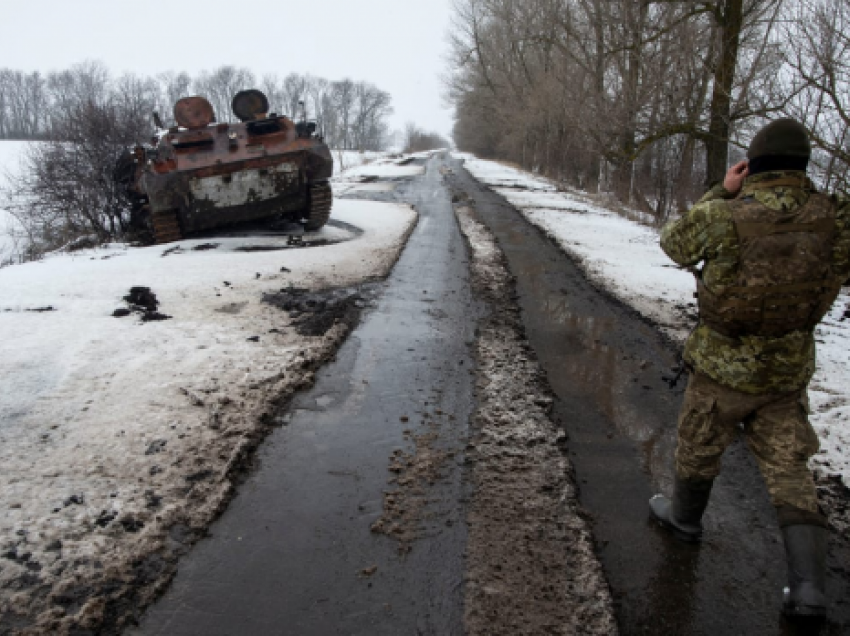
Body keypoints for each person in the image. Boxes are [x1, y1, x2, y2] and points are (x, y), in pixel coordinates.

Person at [649, 118, 850, 619]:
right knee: (789, 467)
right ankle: (808, 591)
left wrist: (722, 189)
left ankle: (685, 520)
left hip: (722, 367)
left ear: (754, 166)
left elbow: (674, 243)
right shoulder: (837, 215)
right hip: (786, 370)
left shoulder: (724, 215)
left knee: (698, 444)